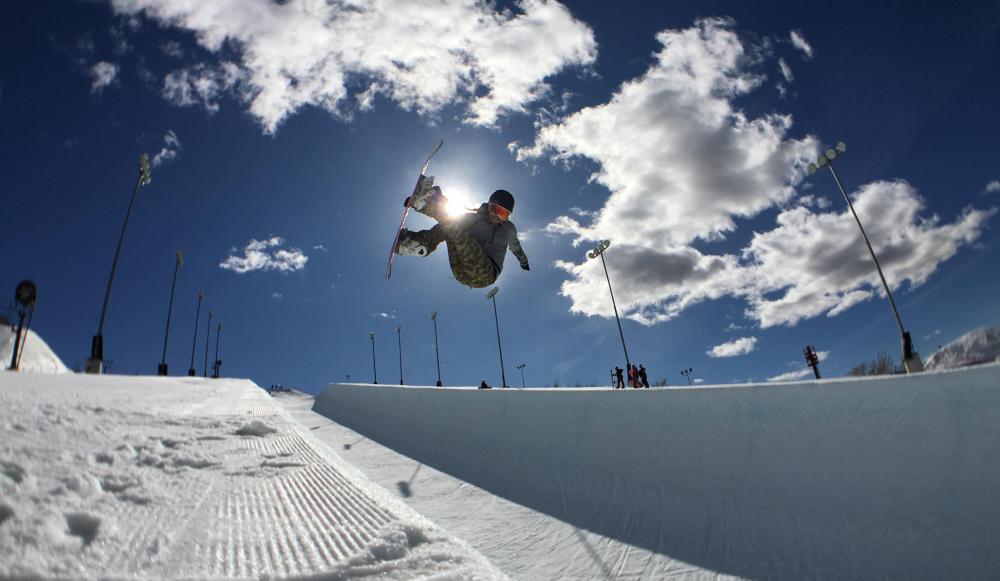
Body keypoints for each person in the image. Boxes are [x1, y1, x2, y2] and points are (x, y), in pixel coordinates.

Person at [396, 181, 529, 288]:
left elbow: (516, 248)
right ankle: (416, 244)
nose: (496, 216)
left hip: (485, 273)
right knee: (450, 226)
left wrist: (524, 262)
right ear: (488, 206)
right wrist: (440, 201)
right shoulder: (474, 218)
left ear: (508, 216)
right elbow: (450, 221)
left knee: (455, 229)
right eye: (493, 209)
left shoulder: (509, 229)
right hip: (460, 270)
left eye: (502, 213)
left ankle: (427, 202)